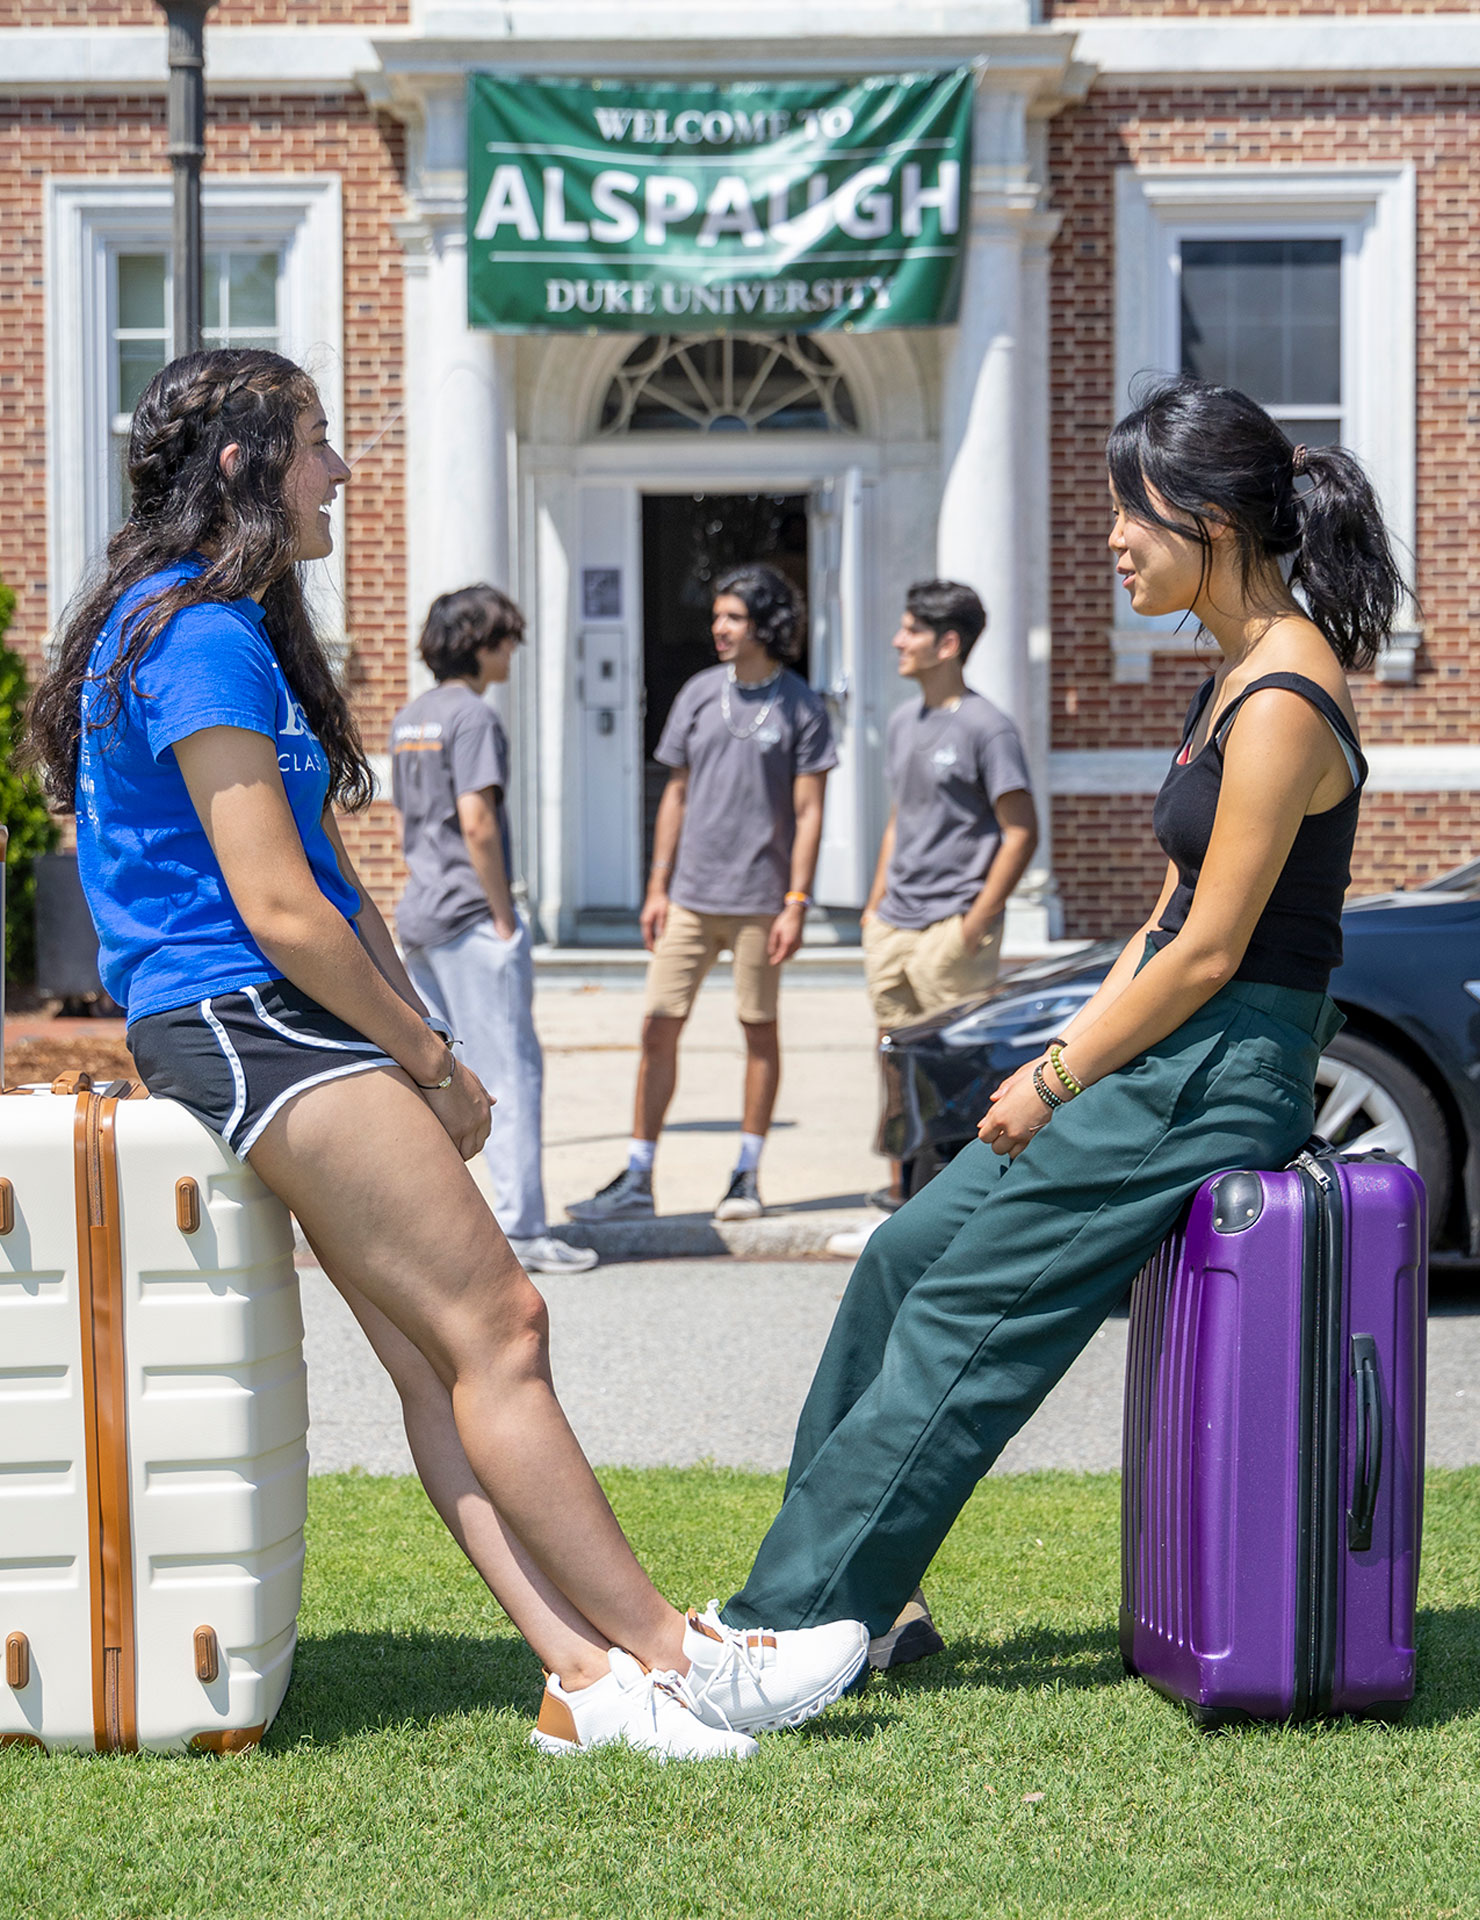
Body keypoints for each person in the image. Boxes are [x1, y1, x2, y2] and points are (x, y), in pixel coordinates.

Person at [24, 348, 868, 1763]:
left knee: (438, 1364)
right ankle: (678, 1659)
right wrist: (419, 1054)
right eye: (315, 443)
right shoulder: (194, 633)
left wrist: (429, 1048)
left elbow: (335, 884)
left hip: (272, 1015)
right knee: (503, 1331)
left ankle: (586, 1686)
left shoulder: (217, 626)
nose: (339, 471)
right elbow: (278, 906)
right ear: (241, 464)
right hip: (248, 1016)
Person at [715, 376, 1407, 1668]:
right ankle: (876, 1601)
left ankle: (786, 1623)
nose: (1111, 540)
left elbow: (1209, 951)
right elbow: (1159, 924)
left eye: (1131, 514)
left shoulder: (1287, 701)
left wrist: (1060, 1077)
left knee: (962, 1316)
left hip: (1222, 1073)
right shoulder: (1230, 683)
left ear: (1209, 519)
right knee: (902, 1258)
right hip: (1158, 1057)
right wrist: (1060, 1063)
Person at [567, 562, 836, 1226]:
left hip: (760, 903)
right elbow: (677, 796)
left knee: (758, 1032)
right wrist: (656, 886)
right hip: (689, 897)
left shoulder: (802, 704)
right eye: (716, 616)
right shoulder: (696, 694)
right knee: (658, 1028)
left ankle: (746, 1175)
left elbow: (810, 813)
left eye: (733, 618)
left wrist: (798, 900)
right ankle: (637, 1176)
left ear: (765, 624)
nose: (719, 628)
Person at [831, 579, 1038, 1269]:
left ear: (948, 644)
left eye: (911, 630)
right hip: (894, 926)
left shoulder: (988, 727)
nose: (898, 640)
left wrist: (976, 922)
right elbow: (902, 816)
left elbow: (1019, 831)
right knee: (895, 1065)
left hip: (951, 933)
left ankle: (964, 1221)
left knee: (955, 1078)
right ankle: (900, 1205)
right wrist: (874, 901)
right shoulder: (903, 722)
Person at [390, 586, 594, 1277]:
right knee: (511, 1072)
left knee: (438, 1076)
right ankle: (522, 1228)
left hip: (419, 912)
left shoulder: (412, 716)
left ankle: (446, 1229)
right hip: (469, 917)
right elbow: (476, 820)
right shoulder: (473, 716)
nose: (514, 651)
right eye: (507, 639)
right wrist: (505, 916)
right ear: (482, 643)